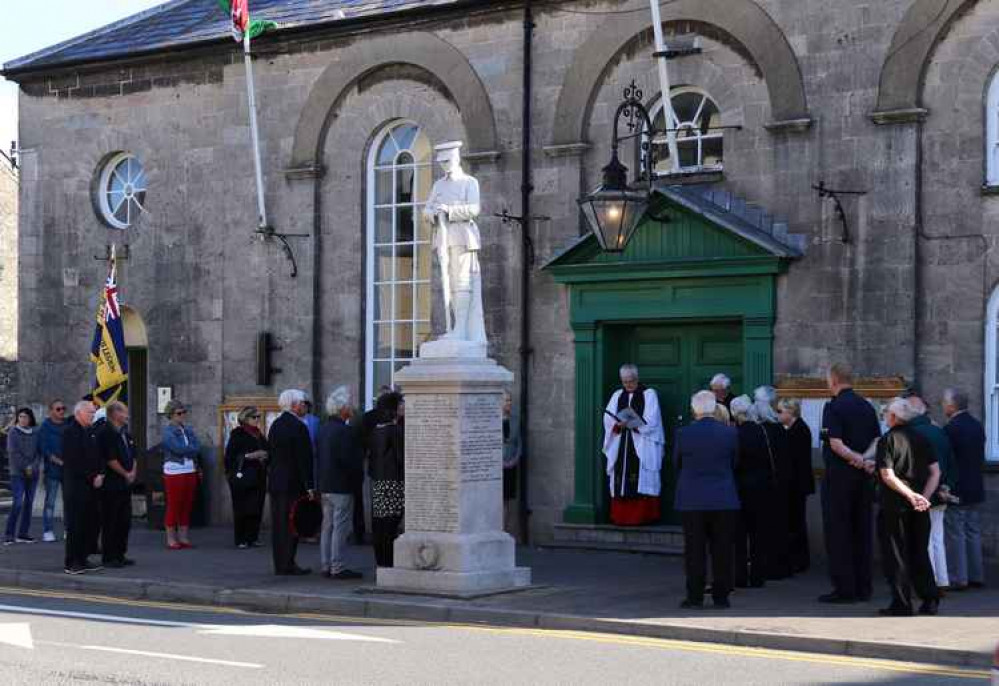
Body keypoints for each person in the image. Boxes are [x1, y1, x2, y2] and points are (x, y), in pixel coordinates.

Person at [819, 363, 882, 604]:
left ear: (833, 380)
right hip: (863, 479)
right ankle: (863, 587)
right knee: (861, 531)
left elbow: (834, 443)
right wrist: (866, 459)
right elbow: (878, 438)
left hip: (839, 478)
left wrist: (856, 459)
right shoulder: (866, 406)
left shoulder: (833, 407)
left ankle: (845, 589)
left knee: (839, 533)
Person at [673, 391, 740, 609]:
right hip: (723, 498)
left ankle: (695, 597)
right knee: (723, 550)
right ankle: (721, 597)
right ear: (713, 408)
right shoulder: (730, 434)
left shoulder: (683, 434)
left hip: (692, 499)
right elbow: (735, 463)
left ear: (694, 410)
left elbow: (677, 463)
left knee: (694, 551)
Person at [875, 397, 941, 616]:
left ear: (893, 417)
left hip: (895, 506)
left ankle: (902, 603)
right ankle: (930, 599)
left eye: (886, 413)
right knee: (919, 552)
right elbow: (935, 472)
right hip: (920, 507)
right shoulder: (922, 438)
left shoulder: (887, 440)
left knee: (897, 555)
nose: (885, 417)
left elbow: (887, 474)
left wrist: (911, 495)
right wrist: (924, 497)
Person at [601, 364, 665, 526]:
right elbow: (608, 418)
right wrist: (616, 424)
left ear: (637, 379)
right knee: (620, 478)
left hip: (641, 444)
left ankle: (643, 517)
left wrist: (631, 424)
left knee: (641, 477)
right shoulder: (617, 395)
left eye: (631, 381)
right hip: (622, 444)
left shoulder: (649, 395)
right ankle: (621, 517)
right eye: (624, 382)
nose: (628, 385)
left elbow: (653, 421)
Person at [316, 386, 364, 579]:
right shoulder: (345, 431)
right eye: (350, 405)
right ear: (342, 408)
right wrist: (357, 479)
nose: (352, 408)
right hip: (341, 485)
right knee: (340, 527)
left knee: (327, 526)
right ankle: (338, 566)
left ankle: (326, 565)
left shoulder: (324, 429)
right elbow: (349, 461)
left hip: (325, 484)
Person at [907, 395, 954, 589]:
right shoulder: (939, 432)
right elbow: (951, 464)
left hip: (922, 491)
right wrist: (947, 486)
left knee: (923, 538)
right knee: (937, 538)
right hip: (941, 490)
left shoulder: (913, 433)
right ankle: (942, 579)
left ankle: (930, 580)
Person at [942, 388, 987, 591]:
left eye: (944, 402)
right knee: (972, 531)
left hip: (958, 488)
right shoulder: (977, 426)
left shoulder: (951, 428)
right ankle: (976, 575)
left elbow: (947, 461)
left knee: (955, 533)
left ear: (952, 406)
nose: (943, 406)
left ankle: (958, 577)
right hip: (976, 485)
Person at [267, 389, 315, 576]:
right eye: (303, 403)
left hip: (277, 481)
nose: (305, 407)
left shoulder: (276, 424)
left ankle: (280, 562)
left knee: (279, 524)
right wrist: (310, 485)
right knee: (292, 523)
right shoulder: (299, 427)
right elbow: (304, 459)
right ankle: (288, 562)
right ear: (294, 405)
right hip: (293, 482)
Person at [730, 395, 774, 588]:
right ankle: (758, 576)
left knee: (739, 536)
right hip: (760, 488)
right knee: (758, 534)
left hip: (740, 488)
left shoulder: (735, 434)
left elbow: (734, 462)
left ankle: (740, 576)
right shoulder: (761, 431)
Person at [752, 386, 793, 580]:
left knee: (767, 530)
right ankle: (779, 566)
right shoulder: (779, 429)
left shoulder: (762, 430)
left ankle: (769, 566)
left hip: (766, 485)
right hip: (779, 484)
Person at [62, 400, 103, 574]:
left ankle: (83, 557)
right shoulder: (70, 432)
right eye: (90, 413)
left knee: (88, 524)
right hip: (76, 485)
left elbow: (96, 455)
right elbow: (74, 460)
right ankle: (72, 562)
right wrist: (92, 476)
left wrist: (100, 473)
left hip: (90, 485)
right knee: (76, 525)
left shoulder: (89, 432)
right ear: (79, 413)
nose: (93, 416)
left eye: (94, 413)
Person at [778, 398, 815, 574]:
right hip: (797, 484)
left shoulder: (798, 431)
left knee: (796, 522)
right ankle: (798, 558)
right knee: (795, 522)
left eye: (781, 411)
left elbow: (793, 461)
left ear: (790, 412)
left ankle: (798, 559)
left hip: (796, 485)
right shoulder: (797, 429)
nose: (779, 415)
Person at [97, 401, 136, 568]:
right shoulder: (106, 432)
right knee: (111, 521)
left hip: (125, 484)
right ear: (115, 414)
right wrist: (126, 473)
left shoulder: (125, 433)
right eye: (124, 412)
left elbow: (133, 454)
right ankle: (109, 556)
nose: (127, 415)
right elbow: (111, 459)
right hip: (112, 484)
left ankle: (120, 553)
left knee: (124, 520)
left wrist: (133, 471)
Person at [224, 406, 269, 549]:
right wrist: (250, 456)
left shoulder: (259, 434)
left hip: (258, 475)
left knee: (256, 507)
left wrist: (265, 455)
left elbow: (268, 450)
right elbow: (230, 456)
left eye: (258, 417)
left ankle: (253, 537)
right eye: (254, 417)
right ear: (246, 418)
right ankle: (241, 538)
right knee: (242, 507)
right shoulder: (237, 434)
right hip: (243, 476)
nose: (257, 420)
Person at [369, 392, 405, 568]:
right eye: (400, 405)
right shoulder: (395, 431)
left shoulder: (377, 429)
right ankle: (388, 562)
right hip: (394, 482)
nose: (403, 407)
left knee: (381, 523)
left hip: (379, 481)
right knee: (391, 524)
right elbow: (401, 458)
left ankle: (381, 562)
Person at [161, 400, 201, 550]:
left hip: (190, 469)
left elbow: (197, 447)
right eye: (179, 413)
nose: (182, 416)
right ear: (171, 415)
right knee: (174, 504)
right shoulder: (168, 432)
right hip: (174, 470)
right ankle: (171, 538)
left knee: (187, 504)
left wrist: (189, 449)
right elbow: (178, 449)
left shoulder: (188, 429)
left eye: (184, 412)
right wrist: (190, 449)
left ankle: (183, 537)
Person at [5, 407, 42, 545]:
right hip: (17, 473)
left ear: (30, 418)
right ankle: (9, 534)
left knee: (29, 503)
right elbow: (13, 453)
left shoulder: (36, 432)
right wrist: (26, 467)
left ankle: (23, 534)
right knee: (18, 503)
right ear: (17, 418)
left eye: (25, 417)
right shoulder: (13, 432)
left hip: (33, 473)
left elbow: (39, 452)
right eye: (20, 417)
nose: (23, 419)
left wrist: (33, 466)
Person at [39, 400, 69, 543]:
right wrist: (57, 461)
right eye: (58, 409)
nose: (61, 411)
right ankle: (48, 530)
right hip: (52, 470)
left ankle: (68, 530)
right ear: (51, 410)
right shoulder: (45, 427)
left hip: (68, 470)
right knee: (50, 502)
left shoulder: (68, 424)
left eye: (63, 408)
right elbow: (44, 448)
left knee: (68, 501)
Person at [502, 389, 522, 538]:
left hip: (511, 464)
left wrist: (515, 459)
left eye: (510, 400)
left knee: (506, 500)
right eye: (506, 400)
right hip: (496, 466)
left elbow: (519, 443)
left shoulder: (515, 420)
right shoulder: (491, 419)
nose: (509, 403)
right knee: (497, 499)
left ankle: (505, 529)